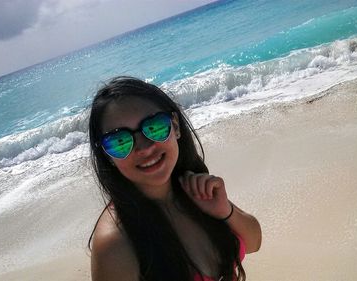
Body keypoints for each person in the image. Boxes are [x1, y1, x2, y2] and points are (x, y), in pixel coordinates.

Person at [87, 76, 262, 281]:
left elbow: (254, 243)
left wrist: (226, 212)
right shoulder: (116, 243)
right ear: (107, 156)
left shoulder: (191, 187)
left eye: (154, 126)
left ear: (175, 126)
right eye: (119, 141)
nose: (144, 148)